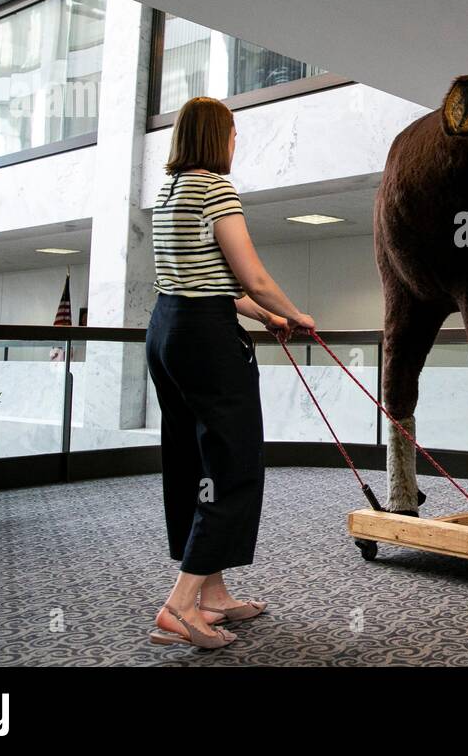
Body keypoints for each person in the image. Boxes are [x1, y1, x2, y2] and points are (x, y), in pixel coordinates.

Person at [145, 96, 316, 649]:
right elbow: (253, 275)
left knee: (193, 460)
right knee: (234, 462)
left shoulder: (168, 192)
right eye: (233, 134)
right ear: (220, 138)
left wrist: (265, 317)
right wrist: (293, 312)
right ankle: (180, 603)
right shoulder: (216, 189)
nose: (235, 143)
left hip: (167, 330)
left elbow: (209, 282)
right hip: (206, 342)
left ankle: (213, 592)